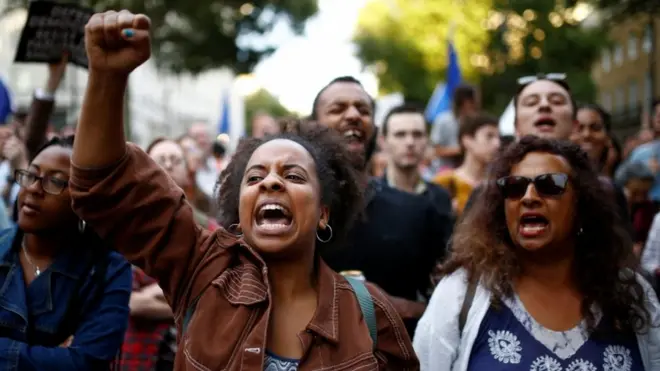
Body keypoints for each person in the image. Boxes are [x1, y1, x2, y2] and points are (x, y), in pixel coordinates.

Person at [69, 10, 418, 370]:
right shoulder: (203, 270)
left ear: (324, 212)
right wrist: (107, 78)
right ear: (240, 207)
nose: (270, 182)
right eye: (254, 178)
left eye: (294, 176)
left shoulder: (371, 315)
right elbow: (104, 185)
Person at [414, 136, 660, 371]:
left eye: (550, 185)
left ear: (582, 204)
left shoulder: (631, 294)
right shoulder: (460, 293)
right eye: (515, 187)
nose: (529, 197)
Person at [308, 76, 451, 337]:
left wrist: (404, 308)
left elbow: (454, 303)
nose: (353, 115)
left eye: (363, 110)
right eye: (337, 109)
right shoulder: (290, 210)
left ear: (374, 129)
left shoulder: (418, 211)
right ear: (313, 125)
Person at [0, 135, 131, 369]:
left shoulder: (106, 270)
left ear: (85, 199)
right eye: (31, 175)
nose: (33, 188)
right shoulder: (3, 249)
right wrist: (54, 356)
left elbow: (85, 362)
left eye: (55, 182)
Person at [379, 103, 452, 219]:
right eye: (400, 135)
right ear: (383, 141)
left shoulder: (441, 198)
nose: (410, 142)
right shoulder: (368, 198)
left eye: (417, 134)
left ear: (427, 140)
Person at [433, 113, 500, 218]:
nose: (497, 144)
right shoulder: (443, 182)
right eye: (489, 136)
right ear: (467, 140)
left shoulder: (499, 184)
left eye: (498, 137)